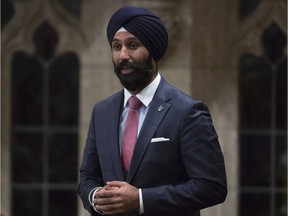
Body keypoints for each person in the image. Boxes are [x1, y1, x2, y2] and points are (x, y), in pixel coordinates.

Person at [78, 5, 227, 216]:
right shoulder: (102, 111)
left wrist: (140, 200)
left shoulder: (187, 112)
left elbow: (212, 187)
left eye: (133, 45)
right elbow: (87, 177)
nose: (123, 55)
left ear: (152, 51)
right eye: (116, 46)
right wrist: (96, 197)